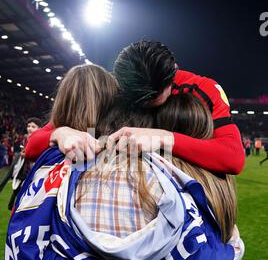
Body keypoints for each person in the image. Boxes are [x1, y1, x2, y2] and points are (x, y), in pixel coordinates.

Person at [0, 65, 246, 260]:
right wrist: (233, 249)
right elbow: (210, 253)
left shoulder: (59, 170)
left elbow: (24, 240)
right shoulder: (172, 182)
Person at [25, 40, 245, 177]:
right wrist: (61, 132)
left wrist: (163, 137)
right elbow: (32, 147)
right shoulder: (114, 86)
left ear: (171, 80)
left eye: (151, 99)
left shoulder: (203, 89)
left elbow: (233, 158)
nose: (142, 105)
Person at [0, 117, 43, 210]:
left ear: (40, 129)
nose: (29, 128)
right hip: (24, 167)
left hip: (33, 172)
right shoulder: (27, 138)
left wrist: (27, 155)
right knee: (13, 176)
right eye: (28, 126)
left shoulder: (40, 140)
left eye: (33, 126)